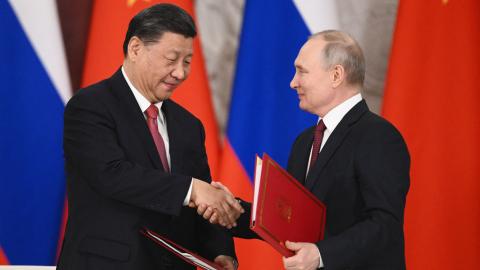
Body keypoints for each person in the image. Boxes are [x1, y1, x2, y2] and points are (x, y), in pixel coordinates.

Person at [199, 30, 410, 270]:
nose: (292, 82)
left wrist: (321, 255)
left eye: (302, 71)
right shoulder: (304, 141)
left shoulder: (378, 136)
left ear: (336, 75)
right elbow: (287, 220)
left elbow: (384, 224)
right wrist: (229, 208)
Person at [57, 4, 242, 270]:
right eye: (171, 59)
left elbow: (202, 205)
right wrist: (192, 190)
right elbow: (112, 175)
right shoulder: (89, 106)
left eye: (187, 61)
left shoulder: (189, 125)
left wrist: (221, 252)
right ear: (135, 48)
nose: (180, 73)